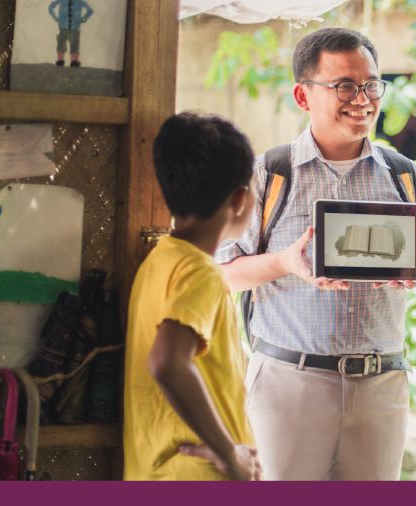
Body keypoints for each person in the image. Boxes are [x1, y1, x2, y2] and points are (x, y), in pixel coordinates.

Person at [215, 27, 416, 480]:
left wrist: (415, 269)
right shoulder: (268, 174)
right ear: (303, 96)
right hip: (289, 380)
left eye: (371, 85)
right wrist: (285, 262)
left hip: (381, 383)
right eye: (344, 86)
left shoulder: (405, 176)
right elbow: (222, 273)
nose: (362, 99)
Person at [123, 112, 262, 481]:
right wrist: (229, 453)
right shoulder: (201, 273)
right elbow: (167, 362)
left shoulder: (161, 259)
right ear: (240, 198)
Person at [48, 0, 93, 67]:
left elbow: (90, 10)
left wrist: (84, 18)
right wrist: (55, 17)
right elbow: (50, 7)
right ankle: (60, 60)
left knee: (74, 44)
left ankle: (73, 60)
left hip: (74, 27)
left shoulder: (79, 1)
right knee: (61, 43)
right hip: (63, 26)